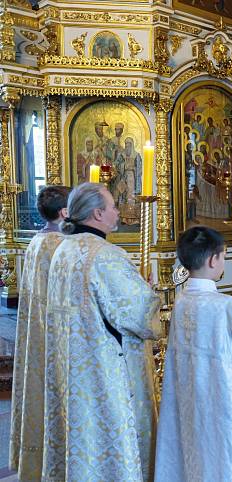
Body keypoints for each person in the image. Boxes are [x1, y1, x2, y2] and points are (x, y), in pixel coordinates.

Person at [42, 183, 161, 481]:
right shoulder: (106, 255)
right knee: (108, 438)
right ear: (98, 213)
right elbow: (139, 315)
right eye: (113, 206)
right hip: (103, 370)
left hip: (72, 367)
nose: (117, 211)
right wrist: (150, 292)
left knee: (83, 439)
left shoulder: (63, 249)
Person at [155, 226, 232, 482]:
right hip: (223, 401)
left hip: (191, 395)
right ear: (213, 259)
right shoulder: (224, 306)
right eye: (224, 256)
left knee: (196, 449)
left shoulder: (181, 300)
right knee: (224, 455)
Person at [9, 186, 70, 481]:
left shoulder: (37, 240)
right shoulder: (61, 245)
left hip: (37, 329)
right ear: (64, 213)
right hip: (56, 331)